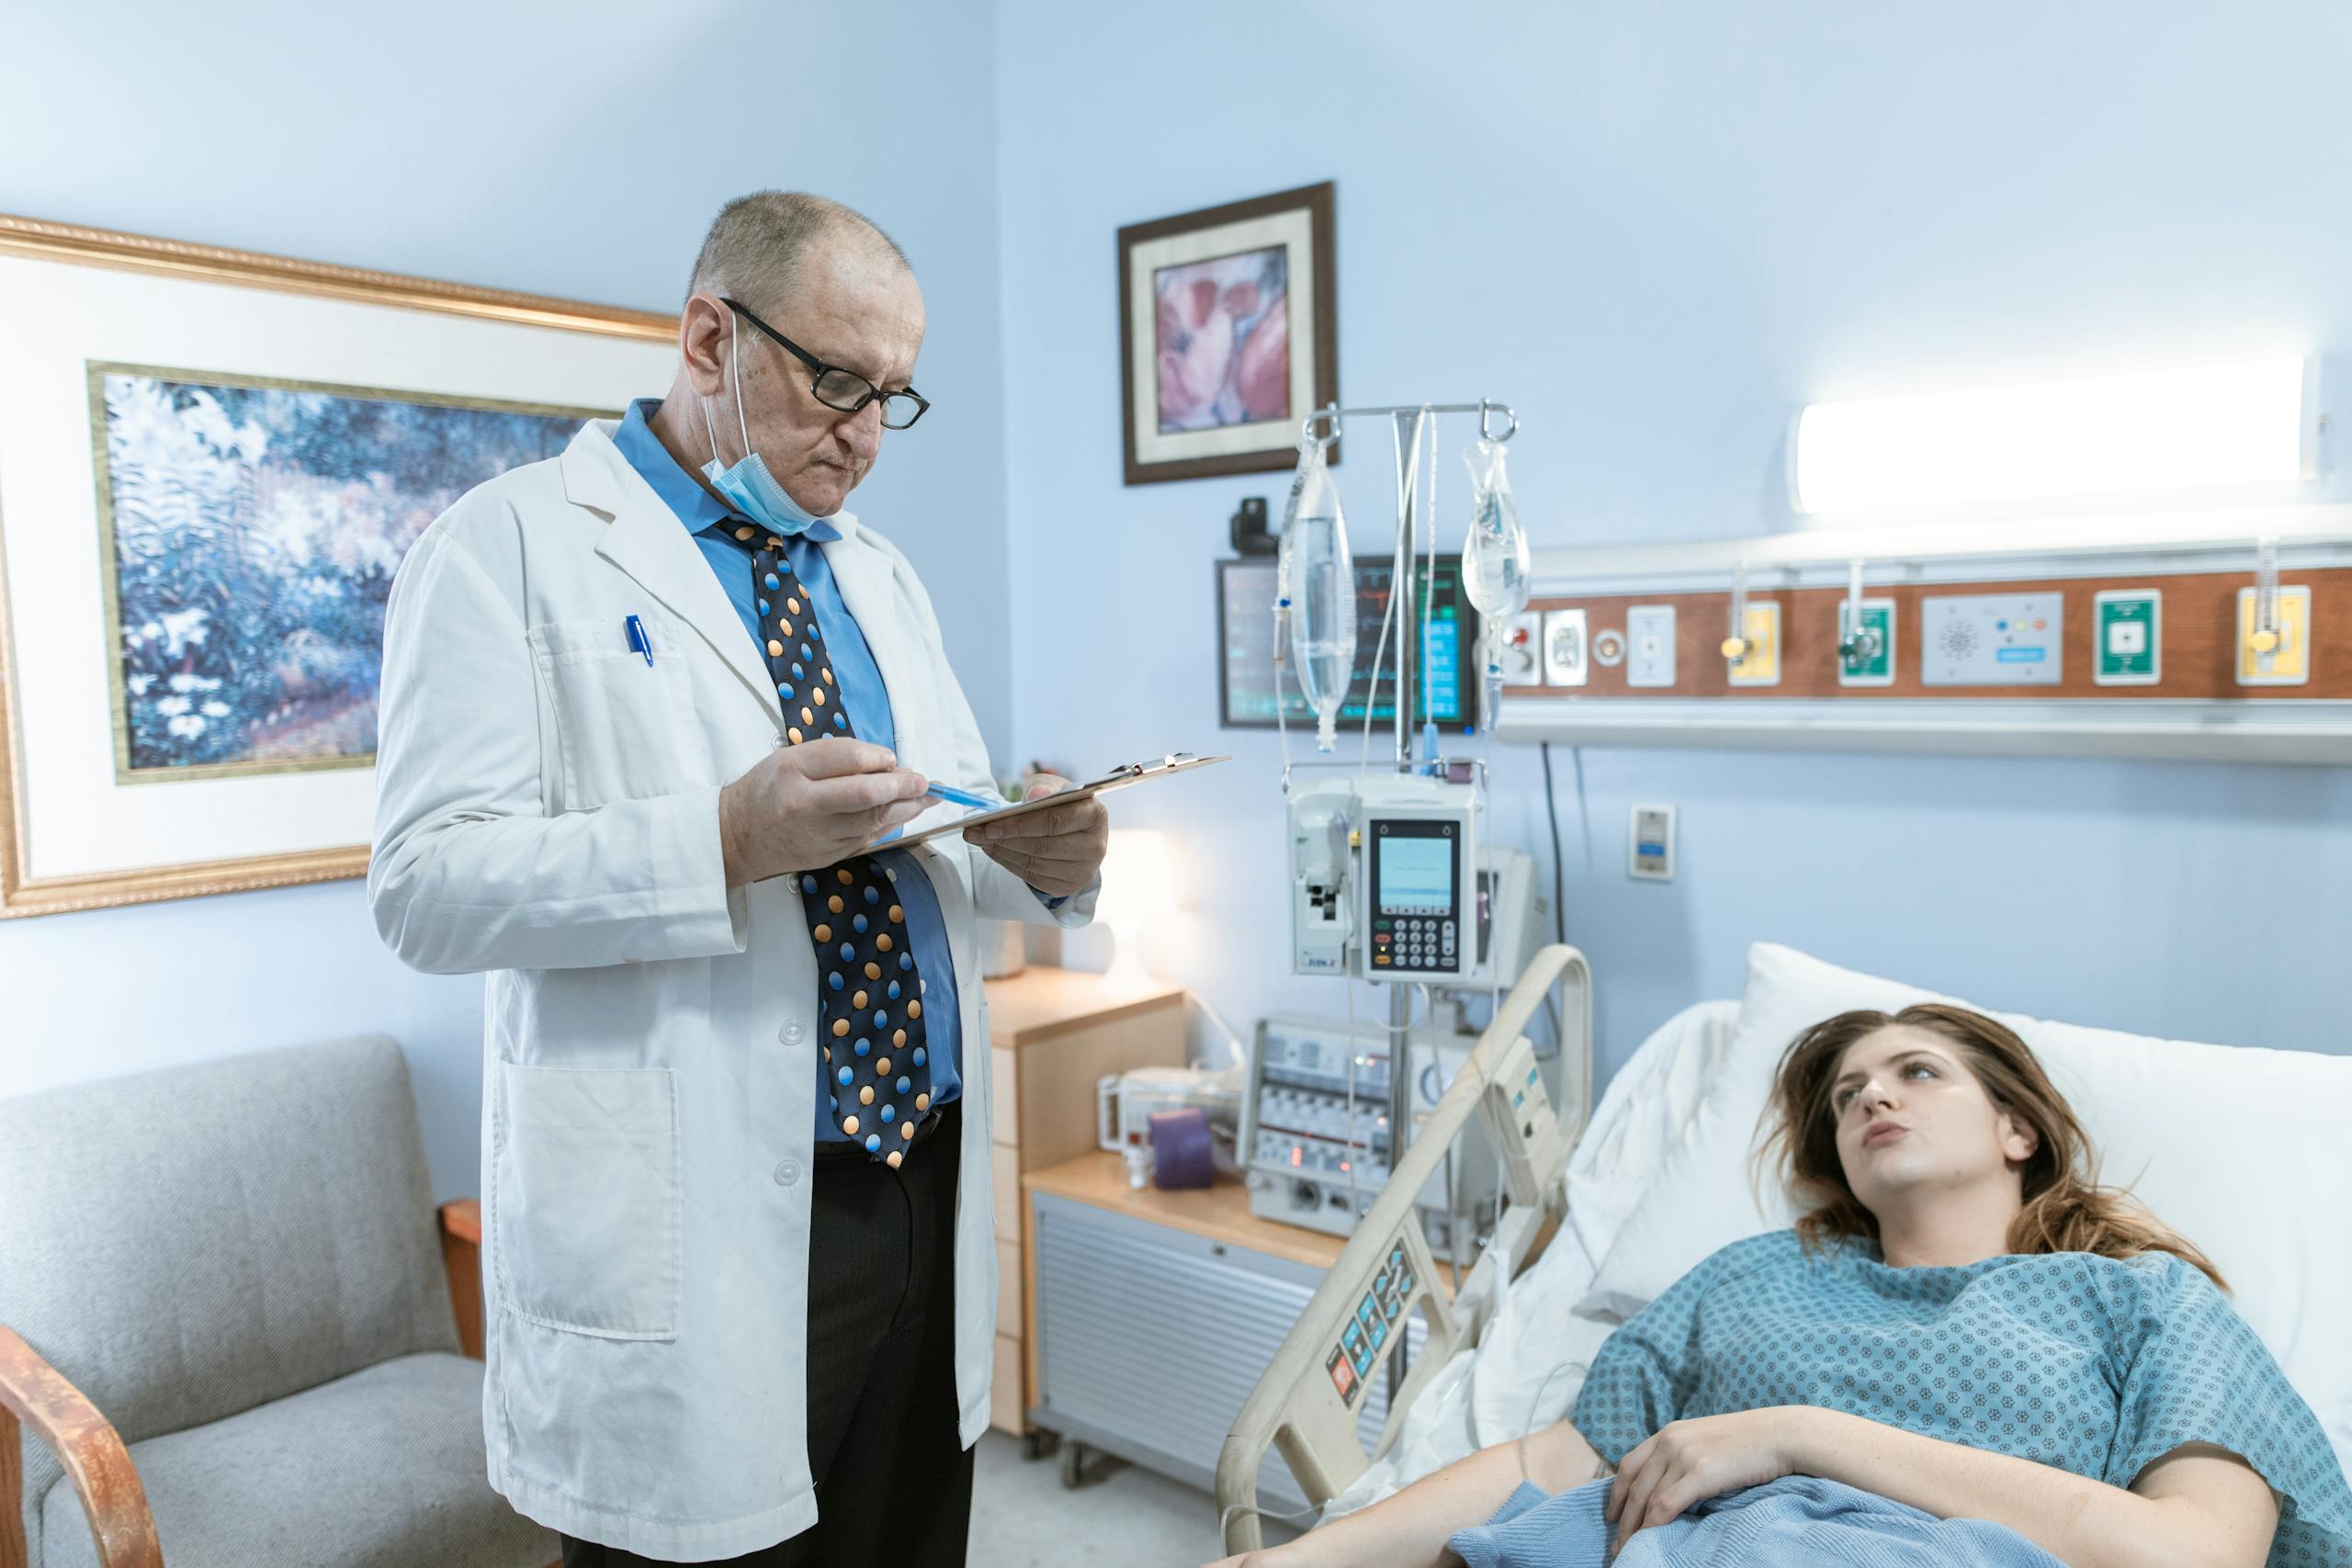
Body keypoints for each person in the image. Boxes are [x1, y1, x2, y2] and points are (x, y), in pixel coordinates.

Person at [370, 191, 1109, 1566]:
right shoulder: (506, 549)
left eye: (895, 397)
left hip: (918, 1178)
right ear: (711, 336)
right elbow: (423, 885)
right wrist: (720, 837)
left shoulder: (877, 576)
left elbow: (938, 827)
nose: (867, 438)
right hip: (700, 1205)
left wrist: (1041, 858)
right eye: (839, 383)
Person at [1206, 1003, 2352, 1568]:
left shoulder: (2140, 1302)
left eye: (1914, 1072)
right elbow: (1542, 1468)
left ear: (2017, 1127)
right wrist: (1299, 1560)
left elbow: (2196, 1555)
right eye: (1848, 1094)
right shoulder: (1751, 1278)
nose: (1869, 1100)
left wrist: (1800, 1436)